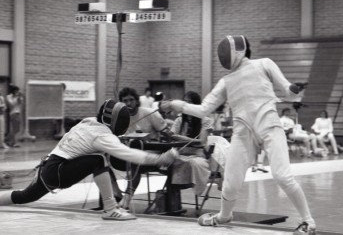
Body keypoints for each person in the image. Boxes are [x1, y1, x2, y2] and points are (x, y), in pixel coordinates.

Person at [160, 35, 316, 234]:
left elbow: (287, 90)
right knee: (231, 183)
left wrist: (294, 90)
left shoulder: (264, 64)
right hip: (242, 133)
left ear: (239, 50)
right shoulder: (227, 81)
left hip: (269, 126)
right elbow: (203, 109)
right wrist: (174, 104)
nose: (223, 56)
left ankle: (308, 222)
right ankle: (224, 216)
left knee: (282, 175)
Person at [0, 99, 178, 220]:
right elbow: (127, 154)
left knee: (24, 196)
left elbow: (70, 143)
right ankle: (110, 209)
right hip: (57, 170)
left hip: (51, 165)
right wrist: (159, 159)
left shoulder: (88, 122)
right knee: (98, 160)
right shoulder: (102, 135)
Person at [170, 91, 214, 195]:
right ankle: (171, 200)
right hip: (180, 154)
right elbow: (171, 137)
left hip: (197, 154)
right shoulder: (179, 121)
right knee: (167, 162)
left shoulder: (205, 121)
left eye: (189, 102)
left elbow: (201, 142)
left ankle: (175, 193)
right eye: (184, 102)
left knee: (196, 164)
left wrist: (181, 138)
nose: (186, 105)